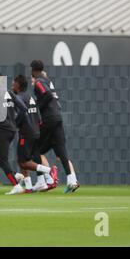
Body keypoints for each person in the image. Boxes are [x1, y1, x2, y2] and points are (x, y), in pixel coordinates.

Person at [30, 60, 80, 193]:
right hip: (57, 117)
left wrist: (37, 108)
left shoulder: (39, 82)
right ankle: (72, 179)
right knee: (61, 149)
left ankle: (41, 181)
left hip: (48, 118)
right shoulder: (47, 81)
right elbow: (54, 98)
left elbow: (46, 95)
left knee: (34, 147)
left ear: (33, 70)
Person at [7, 75, 58, 194]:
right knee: (35, 158)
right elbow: (39, 117)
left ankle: (49, 171)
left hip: (26, 133)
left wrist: (14, 125)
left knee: (23, 161)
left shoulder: (18, 98)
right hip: (36, 131)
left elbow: (21, 114)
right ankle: (33, 185)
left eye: (13, 83)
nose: (11, 85)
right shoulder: (31, 97)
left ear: (18, 85)